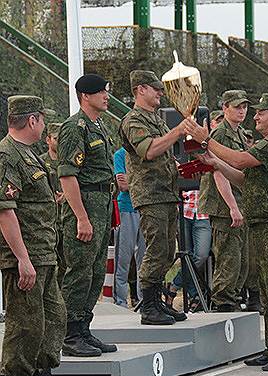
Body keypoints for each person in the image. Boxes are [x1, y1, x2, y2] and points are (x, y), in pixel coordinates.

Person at [182, 93, 268, 371]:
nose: (255, 116)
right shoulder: (266, 143)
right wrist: (218, 164)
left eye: (261, 112)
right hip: (263, 222)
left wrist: (207, 139)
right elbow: (244, 179)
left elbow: (242, 160)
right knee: (267, 289)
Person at [0, 96, 67, 376]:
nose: (43, 124)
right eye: (41, 119)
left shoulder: (30, 154)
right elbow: (5, 212)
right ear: (32, 120)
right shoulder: (8, 156)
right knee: (25, 329)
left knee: (52, 322)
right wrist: (23, 259)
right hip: (26, 258)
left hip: (45, 254)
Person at [119, 70, 187, 325]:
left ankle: (156, 300)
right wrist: (177, 131)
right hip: (151, 194)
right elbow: (148, 150)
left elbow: (162, 153)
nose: (160, 93)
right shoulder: (133, 120)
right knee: (157, 249)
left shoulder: (155, 119)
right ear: (140, 90)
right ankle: (148, 306)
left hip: (166, 192)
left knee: (168, 251)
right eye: (155, 88)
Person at [57, 74, 117, 356]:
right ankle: (69, 333)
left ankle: (83, 327)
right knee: (79, 270)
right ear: (85, 96)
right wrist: (81, 216)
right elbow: (68, 177)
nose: (106, 96)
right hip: (86, 202)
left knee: (95, 271)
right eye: (100, 92)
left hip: (102, 201)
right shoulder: (74, 127)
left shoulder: (98, 125)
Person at [199, 89, 251, 312]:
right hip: (224, 206)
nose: (242, 111)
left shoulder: (238, 133)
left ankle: (232, 297)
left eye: (244, 107)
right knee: (229, 258)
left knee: (241, 259)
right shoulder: (220, 135)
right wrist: (232, 207)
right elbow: (218, 172)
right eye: (237, 106)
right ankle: (223, 302)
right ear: (225, 108)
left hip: (239, 202)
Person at [113, 146, 145, 308]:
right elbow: (123, 186)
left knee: (145, 259)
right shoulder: (120, 154)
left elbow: (128, 182)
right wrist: (145, 182)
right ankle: (120, 301)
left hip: (146, 208)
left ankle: (143, 299)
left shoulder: (146, 151)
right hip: (126, 208)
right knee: (123, 258)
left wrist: (131, 179)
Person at [40, 122, 66, 287]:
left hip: (66, 219)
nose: (59, 142)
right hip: (48, 220)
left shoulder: (69, 160)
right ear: (48, 140)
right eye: (56, 138)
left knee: (66, 262)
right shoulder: (40, 162)